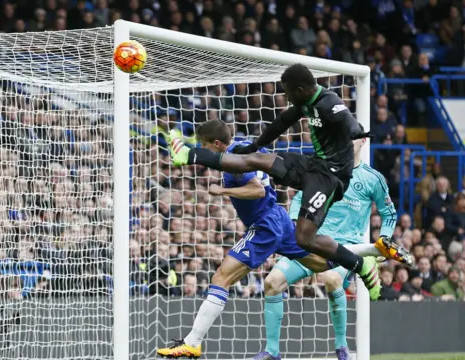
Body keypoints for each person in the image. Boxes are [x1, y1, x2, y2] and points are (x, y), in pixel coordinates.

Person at [156, 120, 408, 359]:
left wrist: (223, 190)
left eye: (205, 146)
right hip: (279, 218)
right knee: (321, 263)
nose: (205, 151)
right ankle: (370, 253)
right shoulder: (242, 145)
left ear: (217, 145)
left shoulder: (234, 161)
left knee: (221, 277)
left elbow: (256, 188)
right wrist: (180, 140)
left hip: (266, 224)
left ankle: (192, 343)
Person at [166, 64, 388, 300]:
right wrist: (254, 145)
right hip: (314, 165)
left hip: (330, 177)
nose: (286, 97)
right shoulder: (305, 102)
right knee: (255, 158)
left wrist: (355, 132)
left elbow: (345, 119)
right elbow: (282, 122)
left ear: (300, 89)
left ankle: (361, 265)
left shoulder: (328, 102)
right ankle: (189, 155)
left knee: (305, 238)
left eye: (288, 92)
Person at [257, 129, 406, 360]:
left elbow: (389, 214)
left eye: (352, 136)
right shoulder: (323, 170)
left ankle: (341, 346)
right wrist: (294, 222)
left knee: (332, 278)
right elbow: (298, 200)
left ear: (363, 141)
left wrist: (384, 240)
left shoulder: (372, 179)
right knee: (272, 282)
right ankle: (272, 351)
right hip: (312, 242)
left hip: (346, 248)